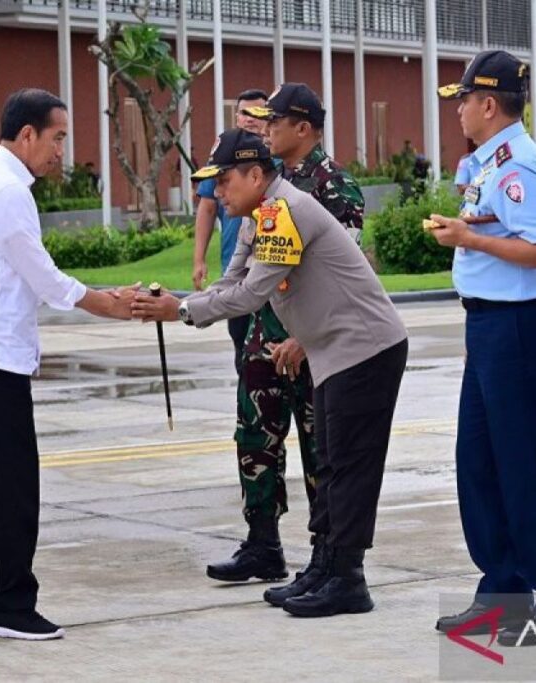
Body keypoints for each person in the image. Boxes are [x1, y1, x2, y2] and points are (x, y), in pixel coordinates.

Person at [133, 129, 408, 618]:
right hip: (334, 351)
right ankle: (324, 567)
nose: (218, 193)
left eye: (224, 181)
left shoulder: (286, 212)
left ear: (256, 175)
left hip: (365, 349)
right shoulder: (257, 216)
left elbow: (250, 295)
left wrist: (179, 312)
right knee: (330, 464)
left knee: (346, 467)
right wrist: (179, 304)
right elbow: (230, 282)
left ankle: (349, 579)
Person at [0, 89, 137, 640]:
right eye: (57, 139)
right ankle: (12, 607)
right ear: (27, 134)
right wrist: (107, 304)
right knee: (16, 482)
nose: (61, 153)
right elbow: (44, 277)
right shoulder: (6, 190)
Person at [430, 50, 536, 647]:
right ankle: (503, 591)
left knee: (525, 465)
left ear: (489, 104)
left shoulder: (519, 163)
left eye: (465, 100)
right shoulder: (491, 161)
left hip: (520, 326)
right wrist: (469, 233)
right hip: (492, 325)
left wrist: (470, 236)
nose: (460, 111)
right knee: (480, 463)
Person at [231, 83, 366, 606]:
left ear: (304, 127)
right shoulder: (272, 185)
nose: (266, 127)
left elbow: (341, 279)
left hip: (307, 346)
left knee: (320, 455)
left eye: (276, 120)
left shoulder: (335, 188)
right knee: (255, 441)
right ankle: (262, 543)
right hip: (264, 337)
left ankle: (324, 559)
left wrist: (302, 339)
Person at [193, 88, 269, 373]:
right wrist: (199, 259)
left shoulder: (274, 161)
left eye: (256, 113)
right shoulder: (221, 157)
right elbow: (207, 208)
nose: (249, 119)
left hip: (270, 271)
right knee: (244, 351)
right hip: (235, 270)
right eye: (243, 113)